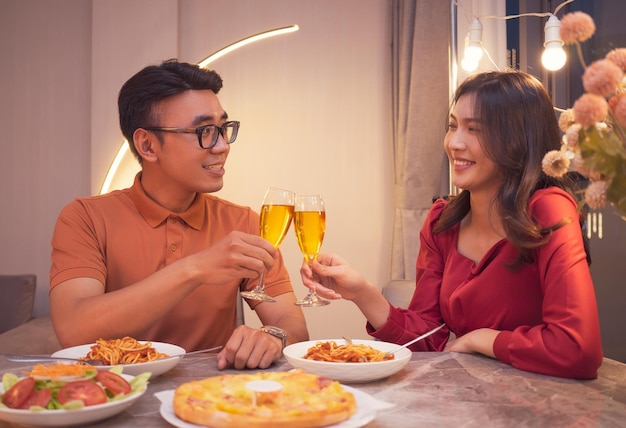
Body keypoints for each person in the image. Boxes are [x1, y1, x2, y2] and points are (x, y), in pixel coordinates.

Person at [300, 70, 603, 379]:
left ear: (518, 141)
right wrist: (361, 292)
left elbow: (578, 349)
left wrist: (484, 339)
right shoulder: (442, 222)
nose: (454, 142)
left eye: (475, 130)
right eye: (453, 126)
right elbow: (426, 339)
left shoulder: (548, 209)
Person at [49, 59, 309, 370]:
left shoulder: (243, 223)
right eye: (204, 131)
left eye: (223, 129)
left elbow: (291, 323)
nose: (222, 146)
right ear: (148, 145)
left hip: (212, 399)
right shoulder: (85, 218)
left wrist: (273, 336)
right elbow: (73, 330)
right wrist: (196, 268)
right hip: (114, 394)